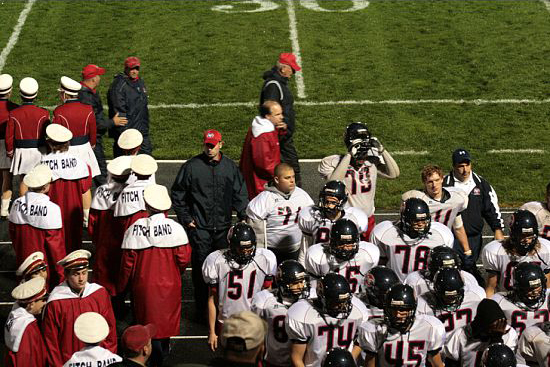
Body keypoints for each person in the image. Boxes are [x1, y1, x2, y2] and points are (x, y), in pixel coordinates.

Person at [171, 129, 248, 320]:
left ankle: (221, 309)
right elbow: (178, 194)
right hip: (201, 231)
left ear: (221, 144)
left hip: (223, 230)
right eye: (207, 145)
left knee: (224, 271)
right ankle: (201, 311)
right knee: (200, 272)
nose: (209, 149)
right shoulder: (191, 167)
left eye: (213, 145)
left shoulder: (230, 168)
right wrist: (186, 219)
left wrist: (243, 216)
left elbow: (240, 193)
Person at [118, 184, 192, 365]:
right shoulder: (175, 229)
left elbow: (127, 265)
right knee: (164, 329)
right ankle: (163, 353)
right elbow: (184, 259)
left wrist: (122, 288)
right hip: (169, 287)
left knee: (145, 327)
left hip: (143, 287)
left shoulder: (135, 229)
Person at [202, 222, 277, 351]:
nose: (246, 253)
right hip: (227, 321)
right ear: (231, 246)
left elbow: (267, 296)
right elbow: (212, 300)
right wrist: (212, 331)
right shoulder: (216, 261)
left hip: (254, 320)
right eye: (242, 249)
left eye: (249, 248)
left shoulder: (264, 258)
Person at [319, 122, 400, 240]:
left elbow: (394, 174)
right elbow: (333, 184)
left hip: (368, 219)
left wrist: (382, 150)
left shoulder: (372, 160)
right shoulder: (332, 162)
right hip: (344, 219)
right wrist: (349, 155)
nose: (362, 159)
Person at [42, 249, 117, 366]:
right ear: (66, 275)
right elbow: (51, 341)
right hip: (69, 362)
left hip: (98, 360)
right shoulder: (56, 302)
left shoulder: (99, 294)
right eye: (76, 274)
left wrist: (109, 356)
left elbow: (110, 328)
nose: (81, 278)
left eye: (84, 272)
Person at [354, 284, 446, 367]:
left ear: (412, 309)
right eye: (394, 309)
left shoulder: (429, 327)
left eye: (402, 309)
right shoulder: (375, 329)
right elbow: (370, 363)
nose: (398, 314)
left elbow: (436, 363)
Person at [402, 164, 473, 269]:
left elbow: (458, 226)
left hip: (444, 243)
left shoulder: (456, 197)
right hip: (422, 243)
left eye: (436, 180)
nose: (434, 185)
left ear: (442, 179)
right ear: (424, 183)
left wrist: (467, 251)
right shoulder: (418, 199)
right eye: (430, 182)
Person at [286, 273, 364, 367]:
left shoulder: (358, 311)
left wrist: (347, 361)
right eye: (336, 302)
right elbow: (297, 357)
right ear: (322, 299)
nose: (342, 306)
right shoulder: (303, 314)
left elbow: (359, 342)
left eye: (345, 301)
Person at [443, 148, 504, 264]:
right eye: (461, 166)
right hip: (452, 238)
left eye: (467, 165)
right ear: (454, 166)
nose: (465, 170)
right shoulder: (444, 185)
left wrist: (497, 229)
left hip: (474, 238)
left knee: (470, 267)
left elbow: (491, 208)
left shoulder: (481, 184)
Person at [371, 197, 454, 282]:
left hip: (425, 286)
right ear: (405, 219)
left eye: (424, 220)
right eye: (416, 221)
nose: (421, 225)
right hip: (396, 285)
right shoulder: (385, 233)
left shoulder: (441, 235)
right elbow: (380, 266)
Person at [8, 163, 65, 288]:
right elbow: (56, 246)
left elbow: (13, 233)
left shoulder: (17, 203)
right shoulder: (52, 208)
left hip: (23, 257)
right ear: (45, 187)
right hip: (45, 266)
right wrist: (61, 273)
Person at [246, 163, 314, 262]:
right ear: (277, 180)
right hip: (271, 250)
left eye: (293, 177)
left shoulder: (302, 195)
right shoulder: (265, 198)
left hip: (296, 249)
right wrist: (260, 252)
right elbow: (255, 227)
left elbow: (311, 219)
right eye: (287, 178)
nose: (292, 181)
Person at [41, 124, 92, 253]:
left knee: (53, 246)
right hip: (74, 211)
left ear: (50, 143)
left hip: (51, 210)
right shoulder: (80, 163)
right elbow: (85, 189)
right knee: (74, 247)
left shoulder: (43, 163)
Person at [251, 260, 311, 367]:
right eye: (295, 283)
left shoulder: (311, 299)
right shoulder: (264, 300)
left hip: (301, 360)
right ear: (282, 283)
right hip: (274, 359)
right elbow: (256, 330)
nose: (301, 286)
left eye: (302, 281)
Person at [88, 156, 132, 297]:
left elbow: (92, 221)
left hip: (103, 241)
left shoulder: (101, 191)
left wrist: (96, 239)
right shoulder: (131, 193)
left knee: (102, 274)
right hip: (122, 240)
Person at [482, 209, 550, 297]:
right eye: (523, 236)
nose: (527, 241)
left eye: (530, 236)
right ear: (513, 234)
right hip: (507, 299)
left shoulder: (545, 250)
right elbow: (491, 288)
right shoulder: (497, 252)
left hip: (535, 299)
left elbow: (547, 288)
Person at [79, 64, 128, 186]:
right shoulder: (87, 97)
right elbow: (95, 123)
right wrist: (113, 122)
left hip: (88, 140)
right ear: (93, 79)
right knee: (101, 175)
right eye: (98, 75)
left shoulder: (85, 93)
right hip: (92, 141)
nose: (100, 78)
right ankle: (105, 202)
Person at [298, 180, 369, 263]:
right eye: (326, 201)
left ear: (342, 201)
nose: (328, 205)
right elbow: (305, 249)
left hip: (342, 262)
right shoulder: (311, 218)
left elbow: (355, 247)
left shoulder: (354, 219)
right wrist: (303, 265)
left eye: (333, 202)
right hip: (319, 259)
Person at [305, 218, 379, 294]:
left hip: (357, 298)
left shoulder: (368, 255)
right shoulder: (318, 256)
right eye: (341, 243)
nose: (345, 248)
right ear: (332, 242)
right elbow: (314, 290)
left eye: (349, 243)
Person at [260, 53, 302, 187]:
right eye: (292, 68)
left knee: (287, 171)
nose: (294, 72)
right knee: (290, 171)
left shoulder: (277, 83)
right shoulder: (274, 86)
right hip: (280, 139)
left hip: (282, 137)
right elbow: (269, 109)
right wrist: (281, 127)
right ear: (283, 69)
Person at [5, 77, 49, 195]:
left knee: (24, 179)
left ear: (20, 94)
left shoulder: (14, 113)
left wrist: (10, 151)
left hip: (21, 151)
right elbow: (47, 134)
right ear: (36, 94)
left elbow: (9, 136)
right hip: (39, 151)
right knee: (40, 179)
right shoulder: (44, 113)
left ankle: (24, 207)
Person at [444, 299, 518, 367]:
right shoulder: (461, 334)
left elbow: (502, 363)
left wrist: (497, 338)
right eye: (490, 327)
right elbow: (451, 363)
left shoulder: (509, 333)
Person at [53, 76, 100, 178]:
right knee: (85, 183)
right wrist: (91, 145)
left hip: (66, 151)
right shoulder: (88, 108)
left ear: (65, 94)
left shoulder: (59, 111)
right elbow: (93, 131)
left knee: (68, 182)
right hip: (85, 149)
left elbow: (56, 135)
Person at [415, 267, 483, 337]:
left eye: (454, 296)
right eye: (447, 296)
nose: (451, 299)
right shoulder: (422, 304)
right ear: (436, 291)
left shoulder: (475, 296)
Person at [491, 262, 550, 338]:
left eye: (538, 287)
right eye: (530, 288)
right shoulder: (500, 300)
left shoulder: (548, 297)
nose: (535, 291)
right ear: (518, 287)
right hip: (514, 345)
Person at [108, 56, 152, 157]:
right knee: (126, 165)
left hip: (142, 131)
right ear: (126, 68)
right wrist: (126, 134)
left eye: (137, 68)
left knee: (145, 159)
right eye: (132, 68)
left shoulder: (139, 82)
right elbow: (119, 113)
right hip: (129, 132)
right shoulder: (119, 86)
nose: (134, 71)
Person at [403, 245, 485, 298]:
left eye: (452, 267)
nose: (448, 271)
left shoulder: (468, 279)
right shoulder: (415, 281)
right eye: (443, 268)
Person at [240, 100, 283, 199]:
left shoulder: (263, 128)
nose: (281, 117)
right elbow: (264, 164)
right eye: (277, 114)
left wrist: (280, 130)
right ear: (268, 116)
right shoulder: (263, 135)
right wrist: (279, 174)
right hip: (260, 185)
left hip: (260, 182)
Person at [4, 277, 48, 367]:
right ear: (31, 304)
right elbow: (28, 359)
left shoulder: (15, 316)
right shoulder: (28, 328)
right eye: (42, 300)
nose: (45, 303)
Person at [113, 154, 157, 232]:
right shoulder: (156, 191)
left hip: (130, 232)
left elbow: (119, 218)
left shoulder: (125, 191)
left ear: (133, 173)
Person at [0, 73, 17, 217]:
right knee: (7, 177)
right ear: (10, 91)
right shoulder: (14, 109)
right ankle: (4, 209)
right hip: (6, 144)